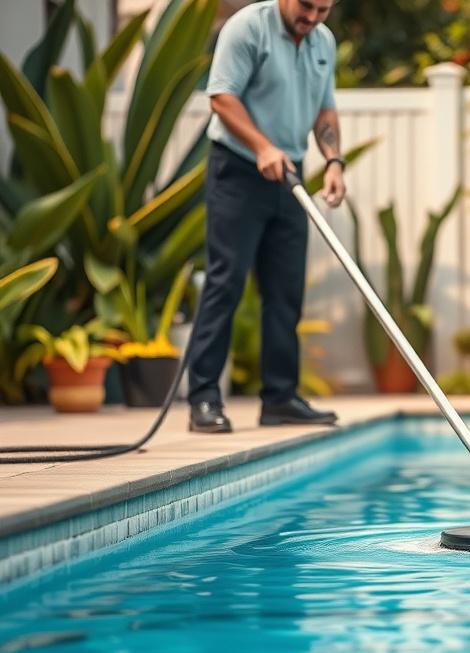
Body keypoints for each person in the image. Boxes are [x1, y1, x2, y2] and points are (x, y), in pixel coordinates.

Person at [187, 0, 345, 433]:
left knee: (285, 290)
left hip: (289, 173)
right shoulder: (247, 28)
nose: (312, 17)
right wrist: (261, 146)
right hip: (238, 169)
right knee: (226, 281)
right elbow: (221, 97)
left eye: (324, 10)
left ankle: (280, 398)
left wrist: (334, 161)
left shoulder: (323, 42)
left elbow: (324, 110)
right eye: (306, 6)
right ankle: (202, 399)